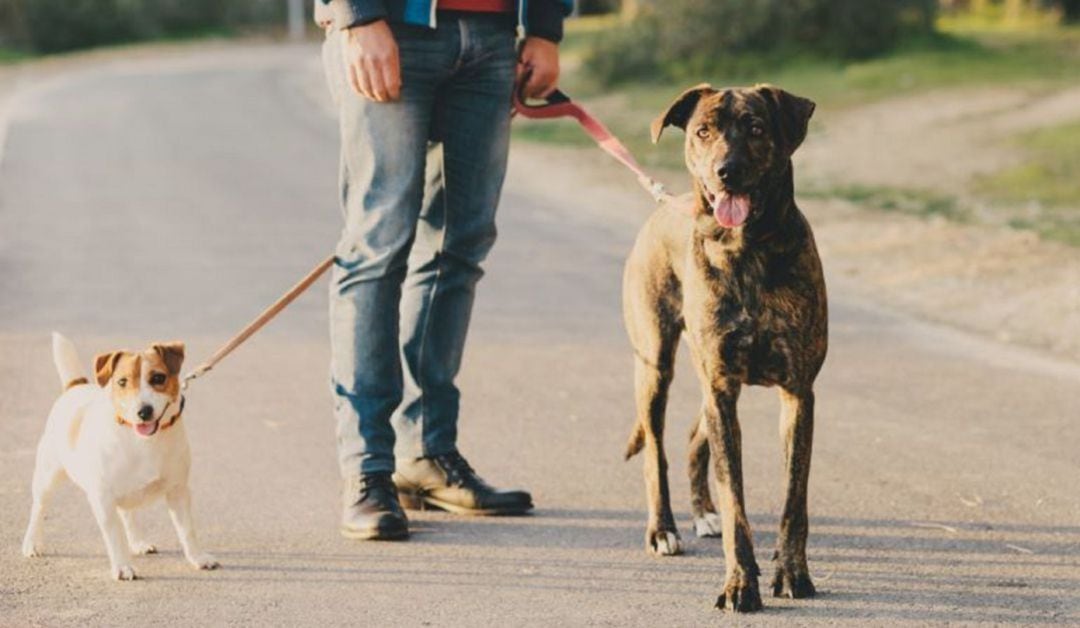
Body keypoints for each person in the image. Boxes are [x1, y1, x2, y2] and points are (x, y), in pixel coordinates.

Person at [315, 0, 571, 540]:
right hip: (390, 26)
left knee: (461, 244)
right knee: (378, 247)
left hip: (495, 36)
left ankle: (426, 452)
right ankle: (367, 469)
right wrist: (357, 16)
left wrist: (546, 27)